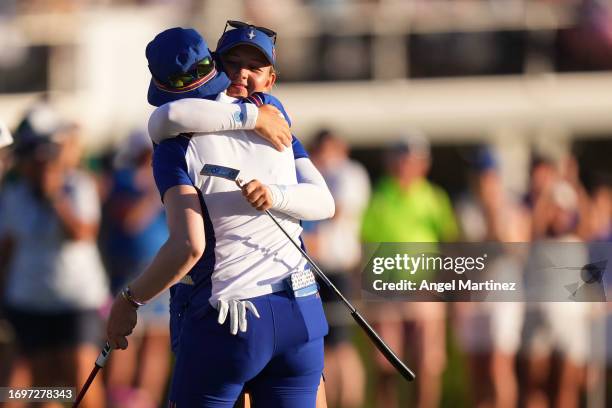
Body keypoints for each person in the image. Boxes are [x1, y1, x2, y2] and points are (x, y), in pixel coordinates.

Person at [106, 27, 334, 408]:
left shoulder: (175, 143)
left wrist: (130, 301)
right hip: (301, 313)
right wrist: (252, 117)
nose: (243, 74)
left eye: (253, 66)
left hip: (233, 320)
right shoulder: (271, 116)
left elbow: (189, 246)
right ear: (216, 66)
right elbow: (173, 114)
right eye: (234, 63)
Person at [0, 104, 109, 408]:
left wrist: (55, 197)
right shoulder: (14, 193)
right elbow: (6, 248)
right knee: (29, 388)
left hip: (76, 301)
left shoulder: (77, 186)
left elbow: (83, 233)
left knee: (81, 379)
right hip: (28, 301)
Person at [361, 134, 458, 408]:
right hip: (386, 292)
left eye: (413, 159)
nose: (406, 164)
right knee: (385, 366)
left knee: (427, 365)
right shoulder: (378, 196)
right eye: (401, 158)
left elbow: (450, 245)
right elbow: (364, 246)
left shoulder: (434, 197)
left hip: (425, 292)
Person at [101, 130, 171, 408]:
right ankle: (118, 401)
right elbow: (130, 221)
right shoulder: (121, 180)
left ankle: (148, 401)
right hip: (128, 273)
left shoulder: (168, 178)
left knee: (156, 343)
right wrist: (155, 194)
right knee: (124, 343)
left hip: (163, 272)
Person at [301, 129, 368, 408]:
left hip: (338, 269)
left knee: (341, 346)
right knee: (325, 346)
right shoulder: (323, 174)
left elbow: (336, 210)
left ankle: (350, 402)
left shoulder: (348, 174)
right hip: (319, 270)